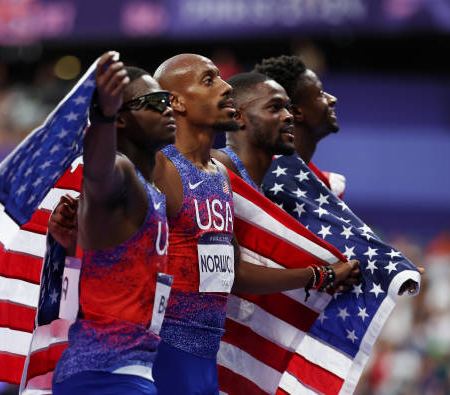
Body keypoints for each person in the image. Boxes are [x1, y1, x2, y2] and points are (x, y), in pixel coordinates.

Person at [151, 54, 360, 394]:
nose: (224, 88)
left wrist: (321, 275)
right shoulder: (162, 168)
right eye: (209, 80)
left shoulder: (219, 175)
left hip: (208, 356)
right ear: (176, 101)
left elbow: (232, 273)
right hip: (165, 350)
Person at [50, 52, 176, 395]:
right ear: (121, 119)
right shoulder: (119, 170)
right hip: (106, 376)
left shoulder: (152, 191)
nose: (168, 109)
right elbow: (99, 172)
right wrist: (102, 118)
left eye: (168, 100)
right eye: (153, 102)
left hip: (126, 370)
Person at [254, 55, 346, 197]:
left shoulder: (328, 187)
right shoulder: (256, 180)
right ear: (296, 112)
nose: (333, 99)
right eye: (320, 94)